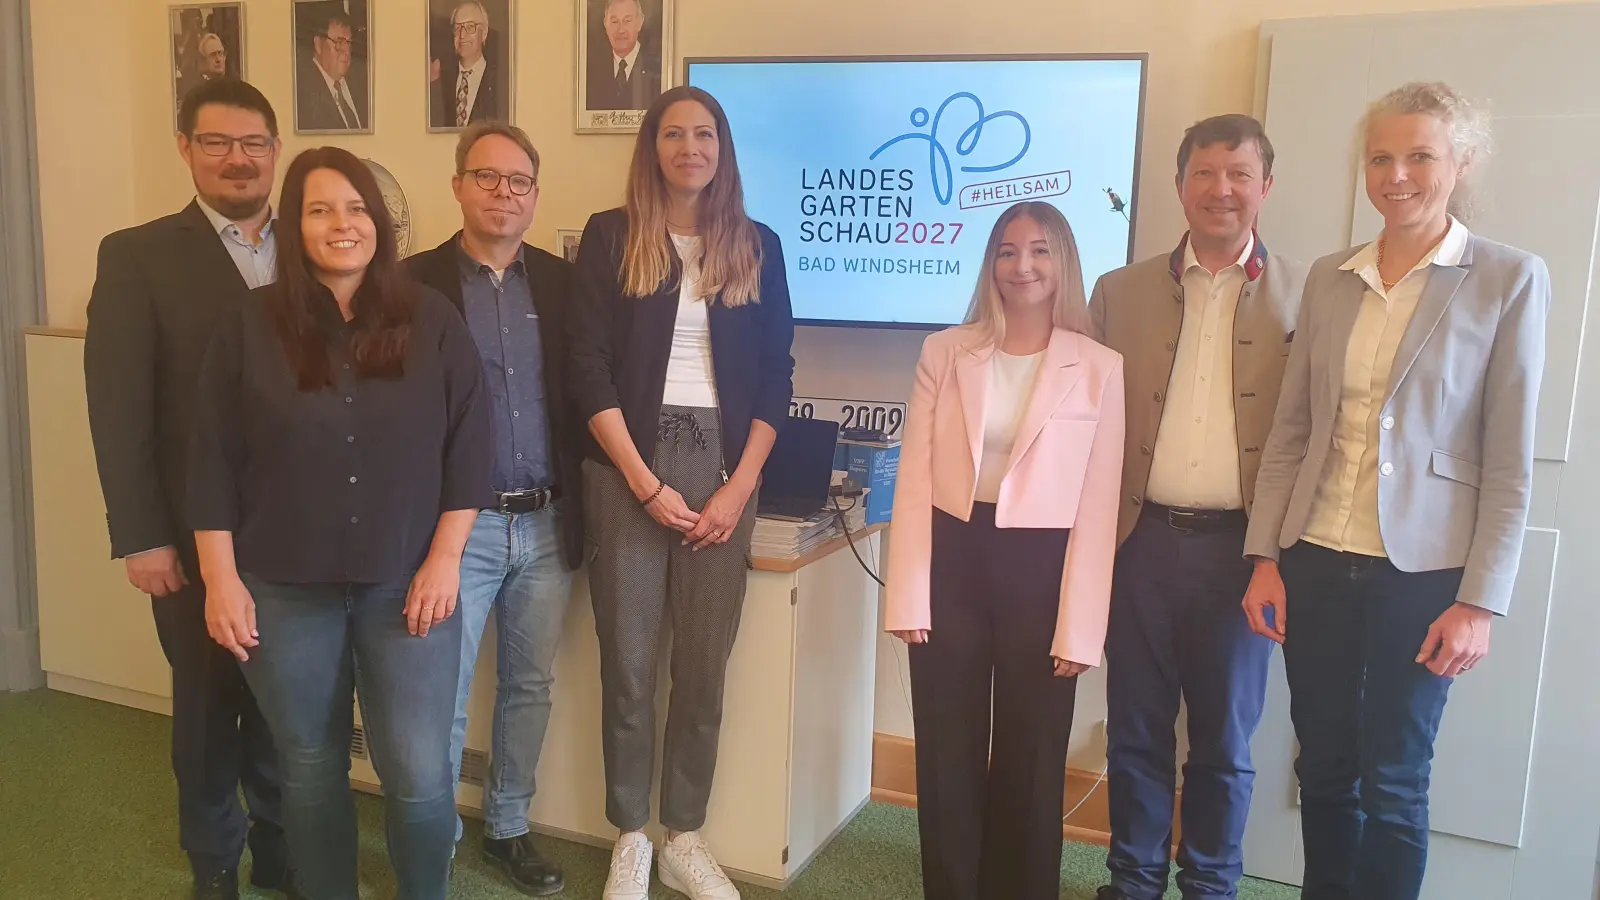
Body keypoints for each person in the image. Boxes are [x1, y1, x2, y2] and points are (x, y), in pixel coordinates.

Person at [1241, 82, 1548, 900]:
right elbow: (1292, 433)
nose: (1398, 174)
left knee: (1396, 778)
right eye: (1382, 157)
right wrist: (1265, 557)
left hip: (1423, 579)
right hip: (1316, 558)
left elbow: (1510, 464)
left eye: (1420, 156)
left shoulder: (1508, 280)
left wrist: (1481, 602)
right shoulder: (1332, 279)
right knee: (1326, 766)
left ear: (1461, 163)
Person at [186, 146, 491, 900]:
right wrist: (219, 580)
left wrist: (446, 558)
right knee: (311, 767)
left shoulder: (432, 319)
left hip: (409, 586)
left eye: (356, 208)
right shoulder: (248, 325)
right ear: (295, 226)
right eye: (320, 210)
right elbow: (210, 461)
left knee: (420, 773)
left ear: (379, 224)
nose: (342, 224)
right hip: (283, 590)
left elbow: (471, 447)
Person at [569, 85, 795, 900]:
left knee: (702, 667)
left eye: (704, 134)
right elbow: (586, 365)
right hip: (628, 463)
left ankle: (682, 837)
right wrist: (641, 480)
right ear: (652, 147)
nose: (689, 147)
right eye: (673, 134)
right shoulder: (611, 237)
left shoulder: (758, 244)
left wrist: (738, 490)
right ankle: (630, 836)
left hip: (724, 468)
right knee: (629, 666)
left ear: (722, 148)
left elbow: (777, 379)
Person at [1088, 115, 1308, 900]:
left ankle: (1211, 885)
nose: (1221, 191)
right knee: (1136, 732)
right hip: (1137, 544)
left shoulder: (1308, 296)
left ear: (1265, 188)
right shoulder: (1116, 292)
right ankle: (1133, 882)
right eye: (1205, 174)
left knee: (1222, 742)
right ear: (1179, 186)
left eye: (1239, 175)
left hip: (1243, 556)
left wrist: (1273, 556)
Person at [84, 78, 292, 900]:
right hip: (187, 532)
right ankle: (215, 863)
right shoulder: (137, 253)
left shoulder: (316, 241)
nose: (238, 159)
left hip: (298, 536)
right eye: (217, 142)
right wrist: (140, 533)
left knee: (289, 706)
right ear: (186, 149)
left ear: (277, 151)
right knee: (208, 711)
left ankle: (283, 849)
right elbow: (118, 402)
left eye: (253, 143)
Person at [884, 201, 1125, 900]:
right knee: (946, 752)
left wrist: (1081, 627)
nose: (1024, 266)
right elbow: (916, 480)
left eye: (1041, 251)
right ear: (990, 263)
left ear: (1064, 264)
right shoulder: (945, 350)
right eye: (1009, 251)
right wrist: (909, 593)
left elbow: (1098, 507)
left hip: (1043, 572)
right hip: (953, 559)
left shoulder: (1100, 367)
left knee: (1033, 757)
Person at [406, 121, 583, 896]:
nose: (504, 193)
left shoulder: (565, 284)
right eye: (487, 177)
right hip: (456, 528)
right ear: (457, 185)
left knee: (529, 686)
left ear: (535, 196)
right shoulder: (410, 285)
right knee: (438, 693)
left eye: (519, 182)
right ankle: (433, 837)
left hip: (547, 521)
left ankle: (507, 828)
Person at [429, 1, 504, 128]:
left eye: (470, 27)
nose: (462, 35)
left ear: (484, 33)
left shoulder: (500, 81)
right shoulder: (441, 80)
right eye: (458, 28)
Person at [586, 0, 660, 111]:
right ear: (605, 24)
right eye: (615, 22)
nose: (621, 30)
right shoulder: (592, 69)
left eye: (627, 21)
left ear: (640, 22)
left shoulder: (656, 67)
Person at [296, 11, 365, 131]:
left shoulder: (362, 81)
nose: (346, 51)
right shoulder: (301, 93)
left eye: (349, 43)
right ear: (318, 44)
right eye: (339, 42)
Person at [176, 33, 228, 108]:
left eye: (220, 53)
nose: (218, 59)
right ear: (202, 60)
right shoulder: (195, 90)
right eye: (213, 55)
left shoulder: (231, 85)